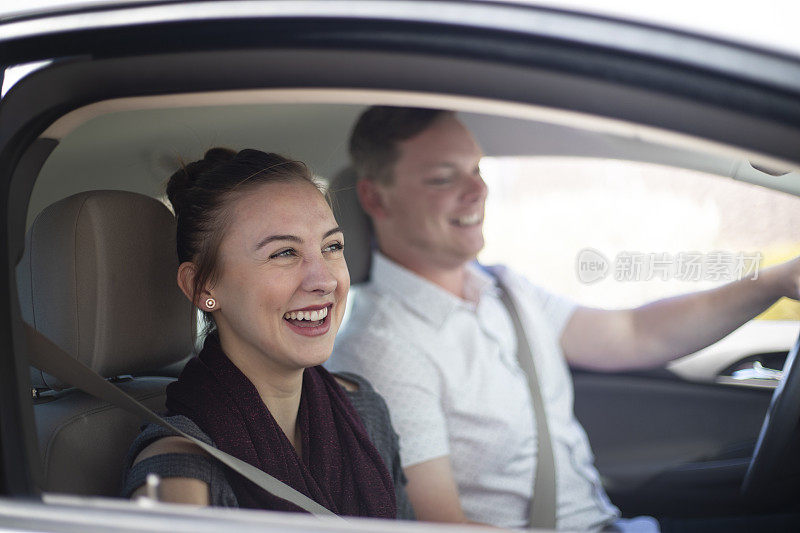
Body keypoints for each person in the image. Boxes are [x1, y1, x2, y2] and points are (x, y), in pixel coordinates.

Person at [327, 107, 800, 530]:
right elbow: (442, 527)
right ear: (376, 199)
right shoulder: (382, 345)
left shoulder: (504, 288)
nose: (478, 190)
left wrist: (774, 282)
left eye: (477, 169)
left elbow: (634, 333)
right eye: (443, 178)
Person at [122, 148, 414, 520]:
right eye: (284, 253)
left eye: (332, 247)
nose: (324, 279)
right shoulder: (179, 474)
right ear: (202, 286)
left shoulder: (364, 410)